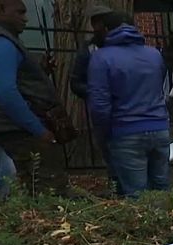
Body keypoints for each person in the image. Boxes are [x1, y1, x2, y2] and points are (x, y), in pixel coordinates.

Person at [0, 0, 69, 196]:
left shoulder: (1, 40)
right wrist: (39, 130)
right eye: (20, 12)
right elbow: (6, 93)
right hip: (21, 129)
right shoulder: (1, 41)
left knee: (30, 186)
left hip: (11, 127)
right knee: (48, 189)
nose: (25, 18)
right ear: (1, 9)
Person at [87, 13, 170, 198]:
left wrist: (104, 135)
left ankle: (147, 226)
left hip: (125, 131)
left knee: (136, 195)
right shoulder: (154, 54)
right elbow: (160, 86)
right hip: (159, 127)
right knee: (162, 190)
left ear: (107, 30)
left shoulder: (101, 58)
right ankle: (169, 224)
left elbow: (99, 106)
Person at [70, 5, 120, 194]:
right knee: (109, 151)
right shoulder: (88, 49)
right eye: (98, 22)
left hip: (126, 110)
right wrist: (96, 91)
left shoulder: (121, 46)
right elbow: (75, 83)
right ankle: (116, 189)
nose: (102, 26)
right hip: (102, 112)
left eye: (105, 21)